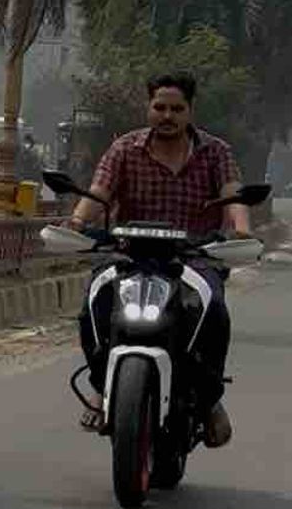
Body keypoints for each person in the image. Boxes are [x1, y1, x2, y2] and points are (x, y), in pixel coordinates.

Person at [68, 71, 251, 449]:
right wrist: (75, 222)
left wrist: (242, 230)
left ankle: (211, 399)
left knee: (214, 310)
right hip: (128, 254)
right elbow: (99, 192)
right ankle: (102, 390)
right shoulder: (124, 149)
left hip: (194, 258)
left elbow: (233, 196)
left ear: (190, 111)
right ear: (148, 107)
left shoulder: (215, 152)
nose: (167, 115)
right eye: (160, 107)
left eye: (176, 109)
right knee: (93, 307)